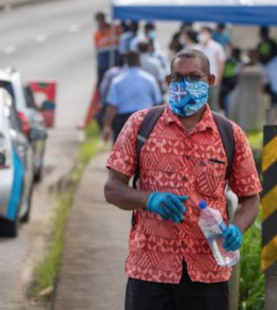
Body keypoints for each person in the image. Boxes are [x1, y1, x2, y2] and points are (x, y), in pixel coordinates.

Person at [104, 49, 261, 310]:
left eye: (194, 77)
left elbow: (250, 197)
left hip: (208, 270)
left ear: (210, 81)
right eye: (178, 77)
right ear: (168, 81)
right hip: (149, 270)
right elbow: (112, 188)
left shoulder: (229, 134)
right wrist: (149, 199)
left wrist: (238, 228)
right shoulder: (140, 125)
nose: (184, 84)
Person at [103, 51, 162, 143]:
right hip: (146, 120)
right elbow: (158, 102)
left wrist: (107, 126)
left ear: (126, 62)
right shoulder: (150, 79)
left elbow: (112, 106)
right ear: (139, 61)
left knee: (123, 152)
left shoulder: (117, 81)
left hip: (124, 121)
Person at [194, 26, 226, 111]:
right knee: (200, 105)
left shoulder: (217, 47)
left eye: (205, 33)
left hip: (213, 80)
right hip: (199, 81)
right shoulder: (196, 48)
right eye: (201, 33)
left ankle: (215, 123)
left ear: (210, 34)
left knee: (213, 104)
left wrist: (219, 79)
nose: (202, 35)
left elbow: (221, 63)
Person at [94, 12, 120, 85]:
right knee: (102, 81)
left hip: (114, 56)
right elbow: (97, 50)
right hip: (103, 59)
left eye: (101, 20)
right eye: (98, 21)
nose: (100, 22)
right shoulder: (97, 34)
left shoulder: (113, 29)